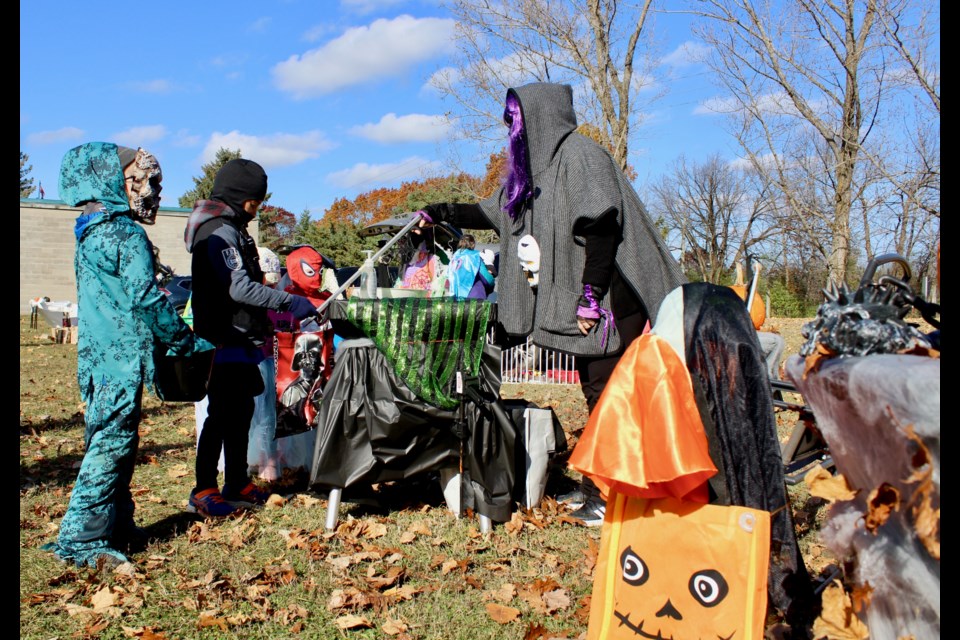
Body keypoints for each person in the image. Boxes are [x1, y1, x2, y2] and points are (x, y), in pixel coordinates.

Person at [419, 82, 685, 525]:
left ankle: (612, 498)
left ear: (540, 117)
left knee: (609, 396)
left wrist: (589, 301)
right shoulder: (535, 173)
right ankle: (604, 489)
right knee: (597, 391)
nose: (513, 129)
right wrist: (442, 210)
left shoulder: (582, 157)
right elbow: (493, 213)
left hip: (611, 295)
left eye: (516, 119)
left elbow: (602, 231)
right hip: (589, 297)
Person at [45, 142, 199, 568]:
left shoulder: (90, 231)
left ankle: (115, 524)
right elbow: (147, 300)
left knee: (113, 441)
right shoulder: (124, 233)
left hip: (96, 361)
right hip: (120, 360)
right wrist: (185, 341)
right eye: (140, 179)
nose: (148, 190)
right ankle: (80, 540)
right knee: (111, 445)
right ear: (114, 180)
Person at [184, 158, 318, 517]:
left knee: (241, 412)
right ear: (240, 197)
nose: (254, 210)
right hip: (222, 342)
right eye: (253, 204)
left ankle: (237, 481)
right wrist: (290, 301)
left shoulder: (233, 228)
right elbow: (238, 287)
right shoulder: (216, 233)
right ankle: (204, 487)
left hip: (243, 340)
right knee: (221, 415)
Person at [446, 234, 495, 300]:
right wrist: (492, 280)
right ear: (473, 244)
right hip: (474, 298)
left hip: (456, 299)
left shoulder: (453, 258)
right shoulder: (474, 256)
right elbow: (487, 279)